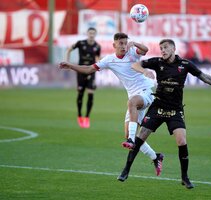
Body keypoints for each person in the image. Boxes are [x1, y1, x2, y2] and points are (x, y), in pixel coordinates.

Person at [117, 39, 211, 189]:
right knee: (140, 137)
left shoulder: (185, 64)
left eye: (165, 47)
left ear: (173, 48)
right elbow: (135, 64)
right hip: (158, 107)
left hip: (175, 110)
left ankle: (185, 177)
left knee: (181, 141)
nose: (163, 51)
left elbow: (204, 76)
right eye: (161, 48)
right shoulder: (157, 62)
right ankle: (126, 170)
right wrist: (144, 70)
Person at [60, 32, 164, 176]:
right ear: (114, 45)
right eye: (120, 43)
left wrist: (133, 43)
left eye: (125, 42)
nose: (123, 46)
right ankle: (156, 156)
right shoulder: (109, 60)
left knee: (131, 105)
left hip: (146, 91)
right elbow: (89, 69)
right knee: (129, 131)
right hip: (134, 96)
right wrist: (71, 66)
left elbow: (145, 50)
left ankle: (131, 140)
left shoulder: (133, 52)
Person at [65, 27, 101, 128]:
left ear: (95, 34)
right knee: (80, 93)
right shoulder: (80, 43)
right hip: (80, 71)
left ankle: (87, 117)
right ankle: (79, 115)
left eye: (93, 33)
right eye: (90, 33)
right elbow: (69, 50)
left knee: (90, 93)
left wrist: (102, 64)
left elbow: (98, 59)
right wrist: (67, 62)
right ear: (87, 33)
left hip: (91, 71)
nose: (91, 35)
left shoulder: (97, 46)